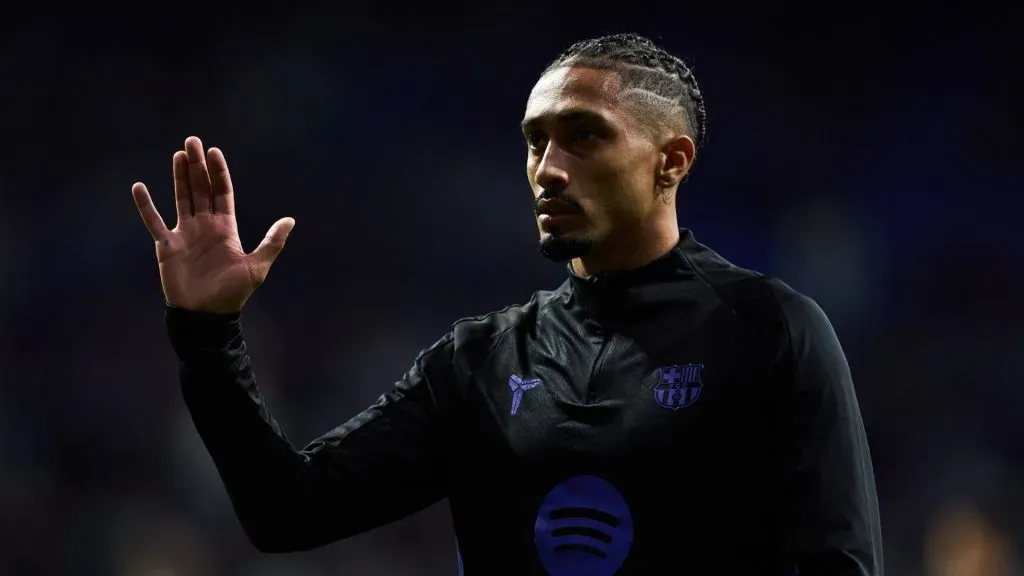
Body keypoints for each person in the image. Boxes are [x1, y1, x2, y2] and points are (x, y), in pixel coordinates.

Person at [132, 33, 882, 575]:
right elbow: (288, 511)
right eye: (535, 142)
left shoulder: (769, 330)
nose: (548, 169)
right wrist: (207, 336)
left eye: (584, 136)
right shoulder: (482, 362)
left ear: (671, 162)